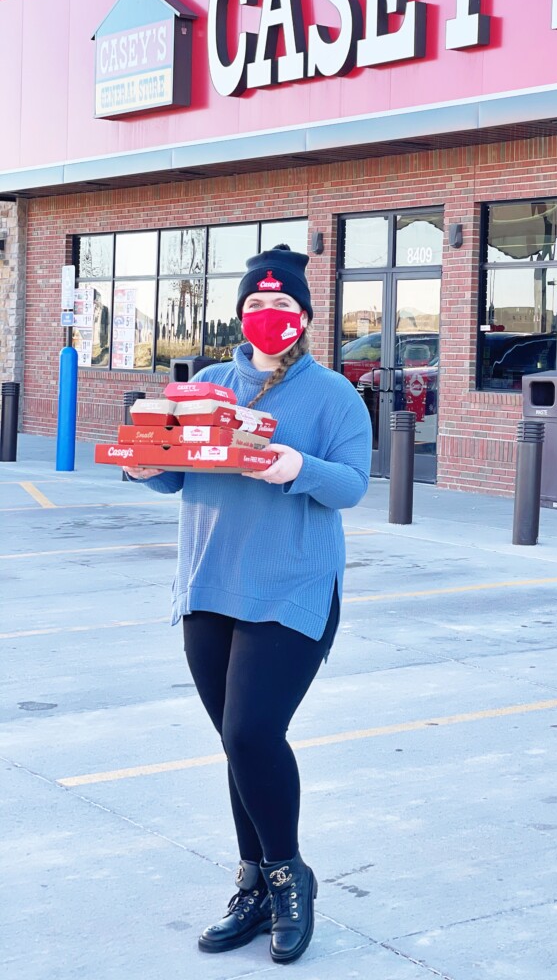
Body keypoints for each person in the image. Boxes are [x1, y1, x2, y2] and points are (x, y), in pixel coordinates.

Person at [124, 245, 371, 965]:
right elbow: (177, 477)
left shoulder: (333, 396)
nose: (270, 318)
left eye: (284, 308)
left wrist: (296, 466)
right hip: (208, 585)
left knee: (253, 733)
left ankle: (291, 876)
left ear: (304, 318)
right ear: (240, 314)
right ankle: (254, 883)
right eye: (258, 306)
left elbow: (352, 485)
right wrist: (146, 466)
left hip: (293, 587)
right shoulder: (204, 383)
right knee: (237, 742)